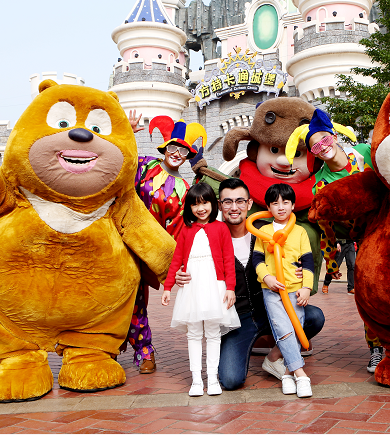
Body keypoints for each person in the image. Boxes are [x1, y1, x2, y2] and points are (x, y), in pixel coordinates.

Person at [176, 178, 325, 390]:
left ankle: (275, 356)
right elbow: (186, 258)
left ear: (249, 203)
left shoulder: (265, 232)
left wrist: (299, 270)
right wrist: (181, 274)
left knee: (314, 317)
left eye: (240, 201)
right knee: (230, 380)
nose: (234, 207)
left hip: (270, 307)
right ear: (219, 205)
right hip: (237, 317)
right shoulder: (209, 236)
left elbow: (296, 253)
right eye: (227, 202)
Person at [286, 108, 385, 373]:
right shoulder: (321, 184)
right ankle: (376, 348)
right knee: (368, 294)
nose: (322, 146)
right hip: (365, 242)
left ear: (335, 136)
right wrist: (331, 262)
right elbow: (325, 227)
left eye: (324, 139)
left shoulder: (365, 154)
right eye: (315, 146)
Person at [126, 111, 207, 373]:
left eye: (183, 151)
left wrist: (178, 263)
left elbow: (181, 228)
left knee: (137, 299)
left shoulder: (184, 188)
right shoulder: (145, 165)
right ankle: (113, 347)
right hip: (123, 240)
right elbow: (121, 164)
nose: (177, 154)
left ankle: (144, 350)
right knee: (115, 296)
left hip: (149, 250)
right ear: (165, 148)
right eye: (173, 148)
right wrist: (127, 133)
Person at [161, 182, 240, 397]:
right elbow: (177, 259)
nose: (201, 208)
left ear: (213, 204)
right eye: (195, 204)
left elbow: (228, 260)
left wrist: (230, 288)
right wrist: (168, 287)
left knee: (213, 333)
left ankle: (212, 378)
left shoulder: (221, 228)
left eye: (205, 203)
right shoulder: (186, 230)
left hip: (215, 287)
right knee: (194, 333)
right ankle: (196, 380)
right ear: (189, 208)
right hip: (192, 288)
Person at [252, 183, 314, 398]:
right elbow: (257, 259)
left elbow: (308, 261)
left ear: (293, 205)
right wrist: (266, 277)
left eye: (285, 202)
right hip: (271, 291)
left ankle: (288, 374)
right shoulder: (263, 231)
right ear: (268, 207)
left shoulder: (300, 231)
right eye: (275, 203)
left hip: (295, 290)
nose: (280, 207)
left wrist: (306, 287)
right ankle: (301, 374)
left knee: (296, 328)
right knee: (283, 329)